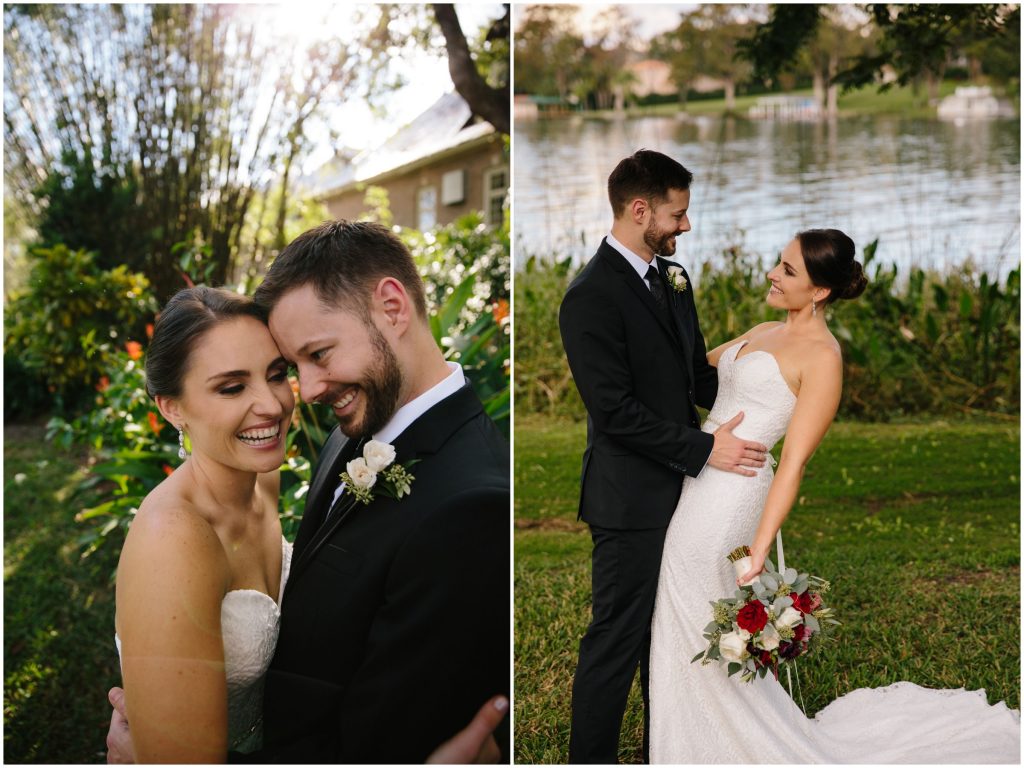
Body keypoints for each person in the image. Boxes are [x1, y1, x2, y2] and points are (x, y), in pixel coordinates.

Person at [106, 219, 509, 762]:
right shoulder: (359, 428)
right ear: (171, 406)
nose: (296, 395)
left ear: (393, 308)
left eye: (301, 362)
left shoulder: (470, 505)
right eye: (293, 367)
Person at [648, 229, 1020, 763]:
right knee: (679, 604)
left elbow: (794, 464)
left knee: (691, 603)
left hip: (733, 496)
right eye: (778, 264)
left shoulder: (823, 358)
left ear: (820, 291)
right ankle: (689, 740)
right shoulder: (762, 329)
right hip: (698, 476)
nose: (773, 275)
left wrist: (760, 548)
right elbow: (687, 372)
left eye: (789, 271)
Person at [558, 149, 770, 764]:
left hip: (687, 493)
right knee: (617, 639)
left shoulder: (674, 280)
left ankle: (666, 750)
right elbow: (615, 413)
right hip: (629, 500)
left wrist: (754, 391)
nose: (686, 227)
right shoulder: (589, 297)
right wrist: (706, 448)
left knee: (670, 637)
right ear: (639, 209)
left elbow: (694, 383)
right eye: (677, 215)